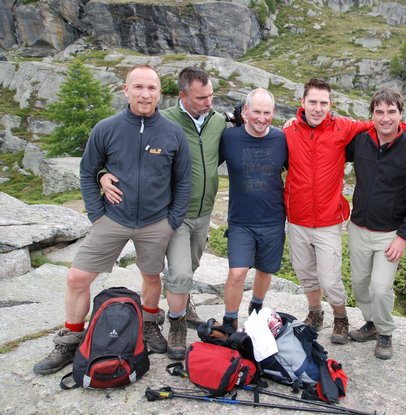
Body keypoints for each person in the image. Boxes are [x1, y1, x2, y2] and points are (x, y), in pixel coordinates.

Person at [33, 64, 192, 374]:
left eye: (152, 88)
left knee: (150, 277)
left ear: (161, 93)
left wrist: (172, 221)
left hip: (156, 222)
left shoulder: (173, 132)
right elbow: (88, 171)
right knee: (77, 278)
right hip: (112, 220)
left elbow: (183, 180)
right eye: (139, 87)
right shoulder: (106, 128)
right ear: (126, 90)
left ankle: (148, 325)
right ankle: (70, 340)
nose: (146, 94)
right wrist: (96, 214)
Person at [284, 78, 406, 344]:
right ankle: (345, 319)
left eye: (323, 103)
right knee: (341, 282)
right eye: (312, 102)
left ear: (331, 105)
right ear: (302, 103)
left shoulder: (354, 131)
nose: (317, 108)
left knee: (362, 284)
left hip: (363, 227)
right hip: (331, 223)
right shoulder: (297, 132)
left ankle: (365, 326)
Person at [101, 67, 227, 360]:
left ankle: (183, 302)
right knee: (180, 272)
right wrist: (102, 173)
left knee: (190, 268)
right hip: (175, 212)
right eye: (201, 97)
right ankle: (177, 323)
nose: (209, 102)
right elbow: (125, 150)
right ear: (183, 96)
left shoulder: (218, 121)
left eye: (211, 95)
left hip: (204, 211)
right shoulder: (164, 120)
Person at [346, 87, 406, 360]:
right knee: (360, 284)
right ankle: (370, 322)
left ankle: (385, 332)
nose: (385, 118)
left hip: (390, 234)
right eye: (379, 112)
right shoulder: (359, 141)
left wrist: (404, 236)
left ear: (401, 115)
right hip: (358, 228)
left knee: (380, 287)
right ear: (372, 115)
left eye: (391, 112)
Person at [219, 88, 287, 330]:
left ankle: (256, 308)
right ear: (245, 111)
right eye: (256, 111)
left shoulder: (281, 138)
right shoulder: (229, 138)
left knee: (265, 271)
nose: (261, 118)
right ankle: (229, 321)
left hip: (273, 219)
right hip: (240, 222)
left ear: (273, 113)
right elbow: (203, 163)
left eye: (266, 112)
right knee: (237, 273)